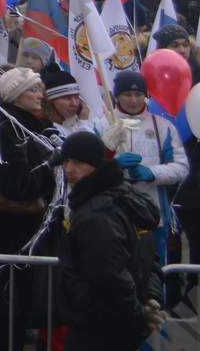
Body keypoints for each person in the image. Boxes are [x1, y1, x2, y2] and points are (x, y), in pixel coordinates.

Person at [54, 130, 163, 351]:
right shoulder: (123, 196)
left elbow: (110, 276)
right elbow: (147, 257)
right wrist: (148, 299)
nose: (69, 169)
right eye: (65, 161)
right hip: (118, 320)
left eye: (78, 162)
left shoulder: (96, 213)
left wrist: (139, 313)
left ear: (96, 165)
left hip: (99, 324)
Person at [0, 67, 56, 351]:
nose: (40, 95)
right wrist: (52, 164)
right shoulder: (8, 130)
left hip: (30, 230)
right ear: (15, 96)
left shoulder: (32, 125)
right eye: (32, 90)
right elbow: (18, 186)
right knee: (10, 305)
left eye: (40, 88)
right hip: (12, 232)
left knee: (22, 303)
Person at [96, 69, 187, 267]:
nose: (133, 100)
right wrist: (113, 165)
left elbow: (181, 167)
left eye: (138, 94)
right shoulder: (101, 125)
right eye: (127, 94)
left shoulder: (163, 127)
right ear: (117, 96)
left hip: (153, 215)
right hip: (112, 216)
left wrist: (152, 173)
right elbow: (88, 168)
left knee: (153, 273)